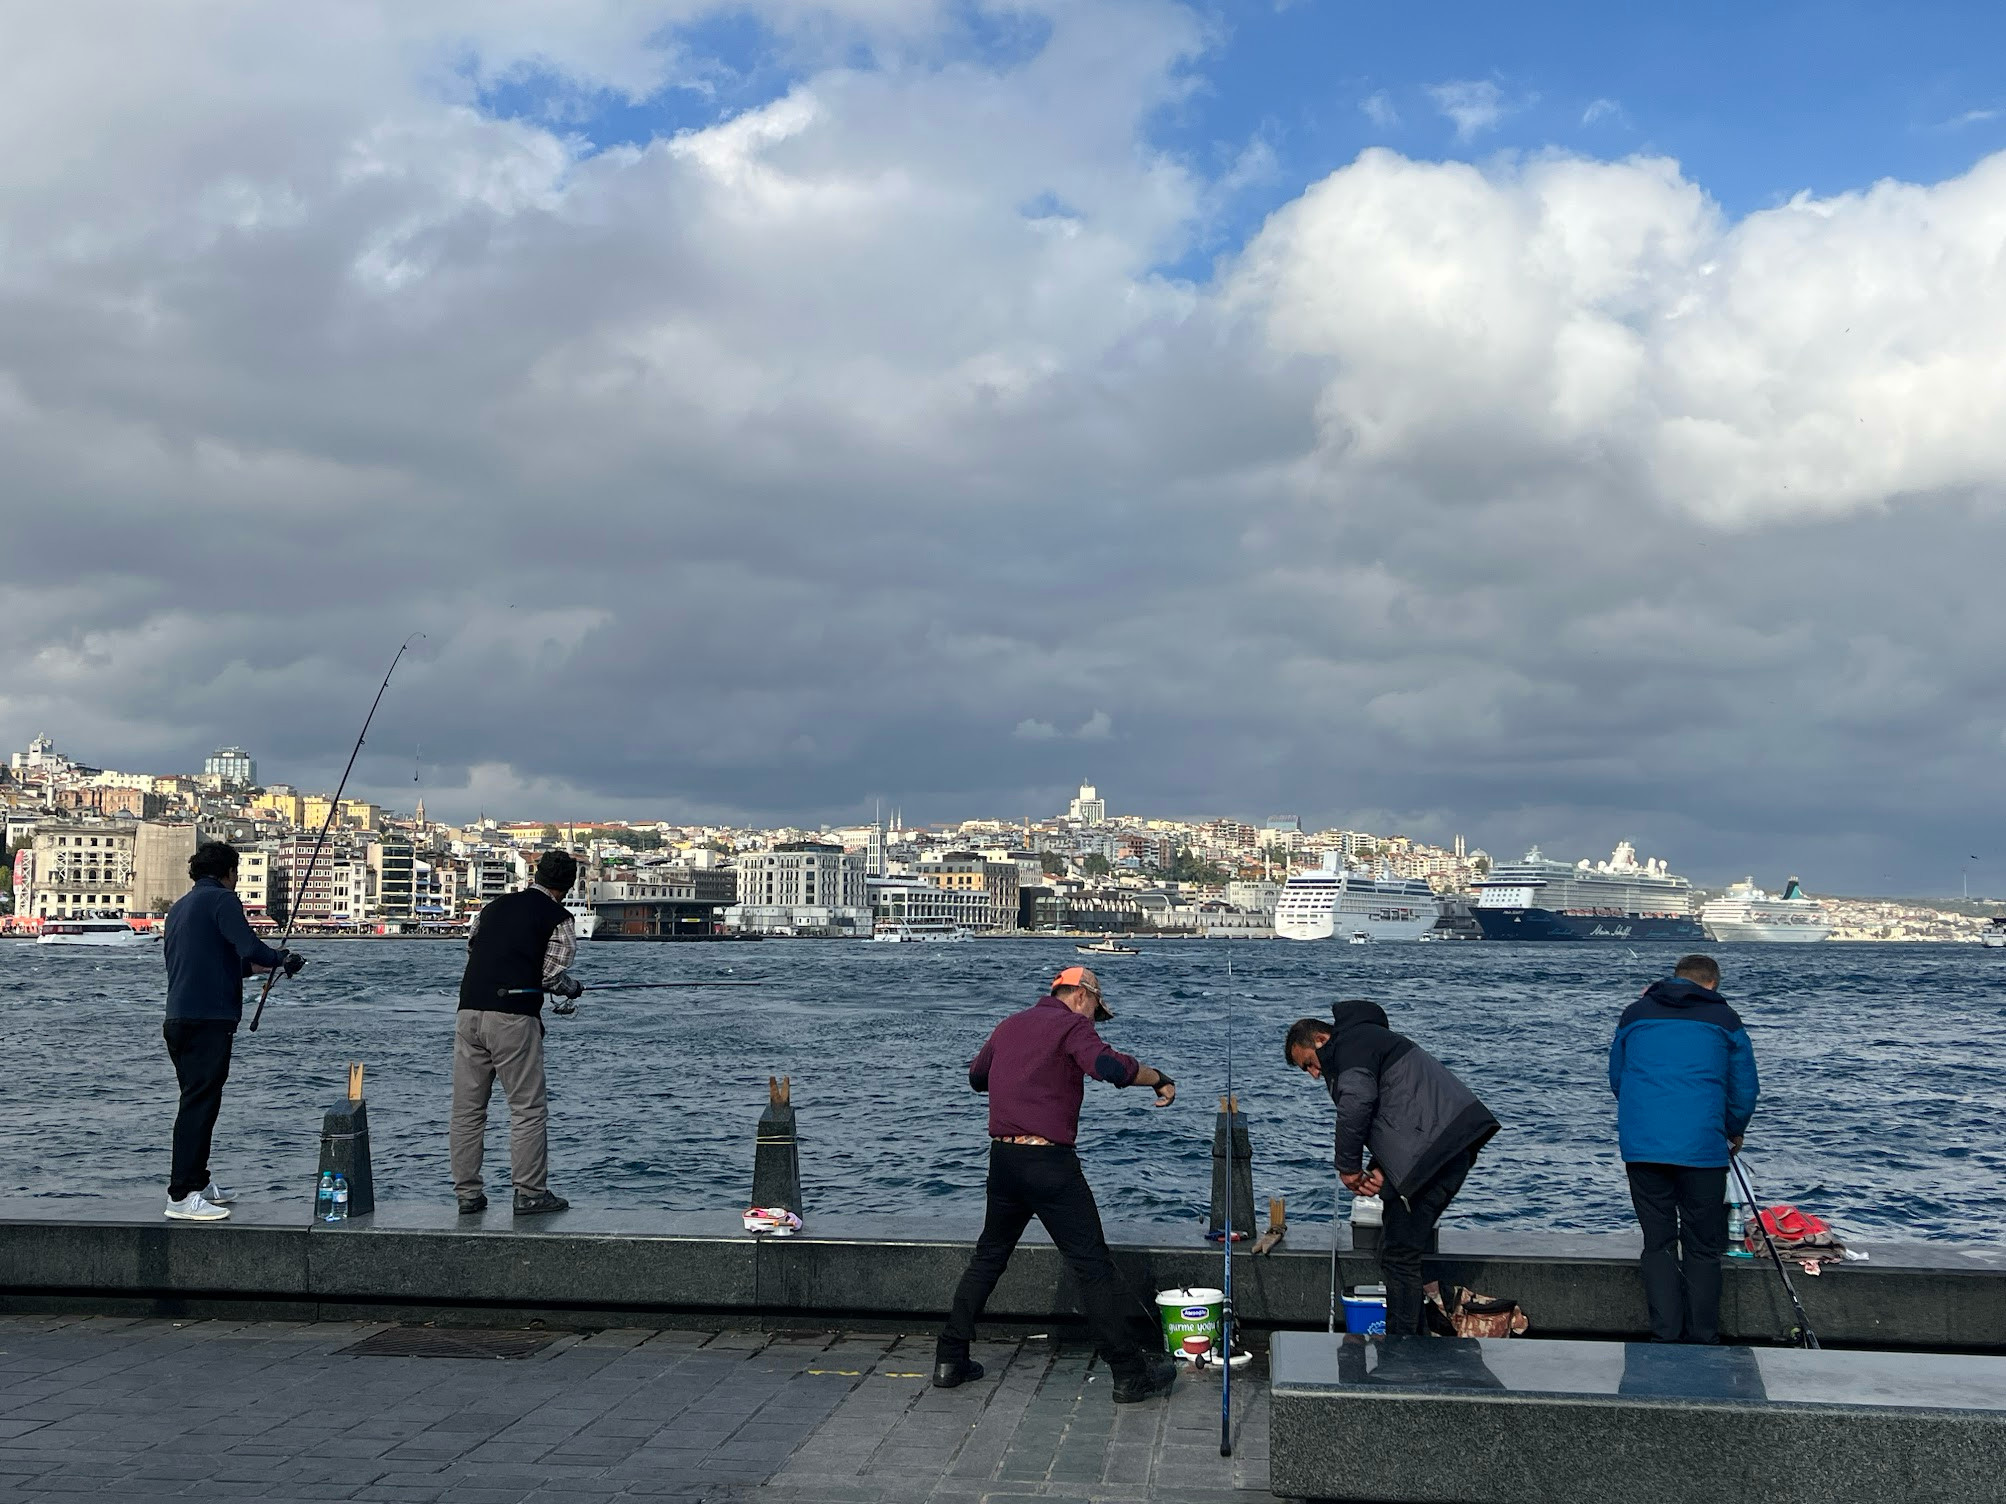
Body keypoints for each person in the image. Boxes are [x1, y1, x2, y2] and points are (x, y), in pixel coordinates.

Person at [934, 965, 1181, 1403]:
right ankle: (1128, 1372)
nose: (1093, 1024)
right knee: (1091, 1264)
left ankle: (950, 1357)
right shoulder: (1071, 1026)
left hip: (1004, 1159)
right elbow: (1111, 1068)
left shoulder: (1010, 1024)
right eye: (1095, 1014)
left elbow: (977, 1077)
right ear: (1082, 995)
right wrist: (1158, 1077)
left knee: (989, 1257)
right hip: (1049, 1162)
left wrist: (1023, 1074)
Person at [1285, 1002, 1499, 1336]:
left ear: (1322, 1040)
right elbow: (1393, 1113)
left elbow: (1357, 1103)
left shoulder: (1350, 1047)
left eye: (1309, 1064)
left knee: (1399, 1255)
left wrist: (1348, 1169)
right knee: (1395, 1248)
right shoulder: (1366, 1041)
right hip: (1440, 1148)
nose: (1314, 1074)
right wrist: (1379, 1167)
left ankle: (1403, 1349)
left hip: (1437, 1154)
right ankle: (1412, 1337)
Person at [1609, 953, 1759, 1344]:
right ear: (1712, 983)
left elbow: (1618, 1077)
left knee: (1657, 1243)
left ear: (1675, 977)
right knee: (1702, 1244)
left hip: (1643, 1146)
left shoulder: (1634, 1013)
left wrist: (1644, 1119)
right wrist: (1734, 1129)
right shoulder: (1725, 1019)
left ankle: (1665, 1334)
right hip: (1703, 1147)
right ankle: (1703, 1334)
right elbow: (1744, 1087)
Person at [160, 841, 305, 1222]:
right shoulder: (223, 901)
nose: (236, 881)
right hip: (209, 1019)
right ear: (228, 873)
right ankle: (181, 1194)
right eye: (236, 873)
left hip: (179, 1018)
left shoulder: (178, 909)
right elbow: (249, 946)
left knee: (196, 1100)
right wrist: (281, 958)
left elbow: (218, 962)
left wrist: (262, 968)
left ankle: (198, 1180)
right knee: (200, 1105)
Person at [451, 849, 584, 1216]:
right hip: (513, 1018)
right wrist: (569, 987)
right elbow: (549, 976)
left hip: (468, 1013)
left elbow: (474, 949)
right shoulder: (559, 918)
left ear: (535, 876)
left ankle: (468, 1195)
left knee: (467, 1110)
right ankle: (530, 1193)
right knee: (526, 1108)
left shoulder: (493, 908)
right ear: (568, 887)